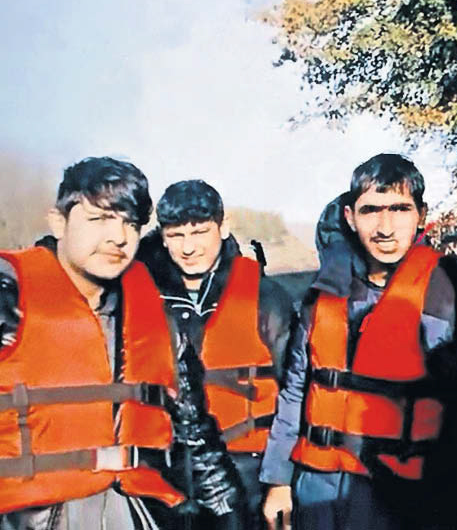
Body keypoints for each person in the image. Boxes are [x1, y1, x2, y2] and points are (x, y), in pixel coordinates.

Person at [260, 153, 457, 530]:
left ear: (421, 215)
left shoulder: (450, 294)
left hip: (402, 489)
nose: (385, 226)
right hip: (316, 483)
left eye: (399, 209)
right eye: (371, 210)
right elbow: (296, 390)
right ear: (349, 217)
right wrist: (278, 480)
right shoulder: (323, 295)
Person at [0, 157, 184, 530]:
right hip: (28, 516)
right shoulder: (9, 293)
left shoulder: (151, 311)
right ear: (58, 221)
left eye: (130, 223)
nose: (118, 237)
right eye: (100, 218)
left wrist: (225, 508)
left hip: (133, 509)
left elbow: (193, 422)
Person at [136, 180, 295, 529]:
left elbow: (296, 394)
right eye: (176, 235)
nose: (189, 247)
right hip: (167, 474)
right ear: (162, 236)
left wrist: (281, 480)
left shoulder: (266, 297)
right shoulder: (139, 296)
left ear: (224, 228)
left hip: (251, 470)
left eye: (200, 232)